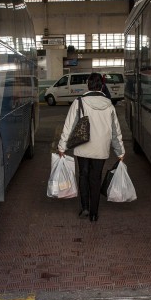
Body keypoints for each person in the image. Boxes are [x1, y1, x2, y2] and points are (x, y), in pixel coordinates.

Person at [58, 72, 125, 222]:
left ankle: (85, 208)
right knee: (95, 178)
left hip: (82, 145)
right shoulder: (109, 105)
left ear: (88, 85)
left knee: (83, 175)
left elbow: (69, 126)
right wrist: (120, 151)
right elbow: (115, 131)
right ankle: (94, 213)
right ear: (101, 86)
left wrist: (62, 147)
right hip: (101, 148)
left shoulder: (79, 102)